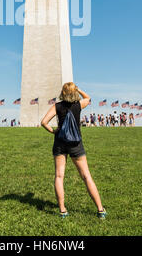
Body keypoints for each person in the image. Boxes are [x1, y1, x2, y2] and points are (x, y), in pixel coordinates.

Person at [41, 82, 106, 219]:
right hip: (76, 143)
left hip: (60, 142)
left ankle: (63, 210)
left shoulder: (57, 106)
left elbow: (43, 122)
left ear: (63, 93)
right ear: (74, 92)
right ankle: (100, 209)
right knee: (86, 176)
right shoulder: (78, 105)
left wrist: (53, 132)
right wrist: (79, 90)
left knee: (59, 176)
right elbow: (88, 98)